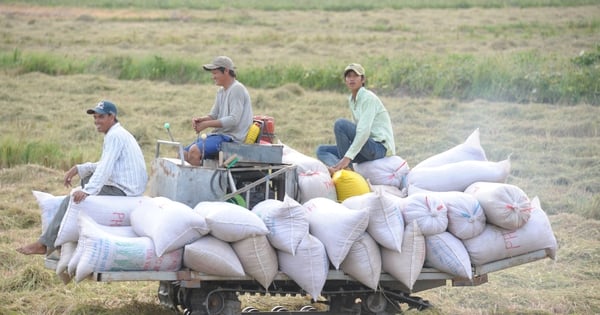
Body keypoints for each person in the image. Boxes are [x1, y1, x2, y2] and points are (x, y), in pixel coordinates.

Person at [16, 100, 148, 255]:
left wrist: (88, 191)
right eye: (95, 118)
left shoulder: (115, 136)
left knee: (71, 200)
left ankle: (44, 244)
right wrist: (80, 168)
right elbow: (105, 164)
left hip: (125, 190)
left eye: (101, 117)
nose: (96, 122)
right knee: (86, 179)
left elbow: (105, 167)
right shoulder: (118, 134)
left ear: (112, 117)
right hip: (126, 184)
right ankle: (60, 240)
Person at [316, 63, 396, 175]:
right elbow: (356, 132)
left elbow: (363, 132)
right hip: (364, 148)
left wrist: (347, 157)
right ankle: (337, 169)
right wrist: (347, 151)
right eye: (348, 76)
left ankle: (347, 170)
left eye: (355, 76)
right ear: (345, 80)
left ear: (362, 79)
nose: (351, 79)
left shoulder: (368, 98)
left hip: (378, 148)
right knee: (322, 150)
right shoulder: (352, 100)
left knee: (341, 124)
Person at [184, 56, 253, 166]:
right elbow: (214, 115)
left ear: (226, 71)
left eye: (215, 73)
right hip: (220, 135)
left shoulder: (237, 89)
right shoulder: (221, 91)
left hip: (232, 138)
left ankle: (200, 182)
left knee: (194, 151)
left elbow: (234, 119)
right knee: (183, 153)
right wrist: (202, 120)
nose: (213, 77)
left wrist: (206, 124)